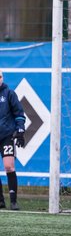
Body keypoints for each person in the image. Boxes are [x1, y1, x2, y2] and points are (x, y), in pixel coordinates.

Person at [0, 69, 26, 210]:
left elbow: (19, 114)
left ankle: (13, 201)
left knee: (9, 166)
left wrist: (20, 131)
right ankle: (0, 201)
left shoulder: (9, 94)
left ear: (2, 78)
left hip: (6, 136)